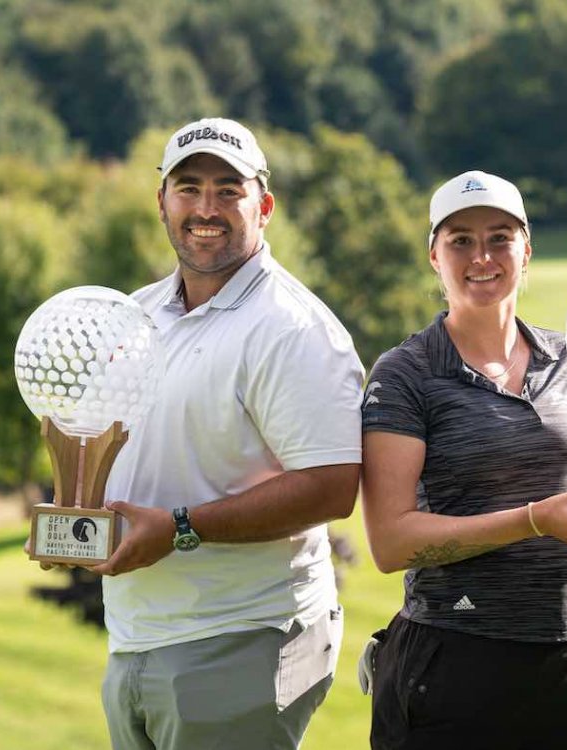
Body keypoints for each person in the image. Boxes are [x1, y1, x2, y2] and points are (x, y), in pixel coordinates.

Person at [359, 171, 567, 750]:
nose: (481, 255)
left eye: (499, 237)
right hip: (449, 661)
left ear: (526, 249)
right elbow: (389, 543)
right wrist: (533, 519)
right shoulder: (405, 373)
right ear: (434, 256)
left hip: (564, 655)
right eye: (459, 239)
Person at [84, 118, 364, 750]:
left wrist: (181, 527)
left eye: (227, 190)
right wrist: (77, 525)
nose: (205, 209)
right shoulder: (134, 314)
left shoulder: (293, 329)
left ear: (263, 206)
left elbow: (331, 488)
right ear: (162, 202)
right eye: (188, 188)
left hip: (244, 637)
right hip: (137, 636)